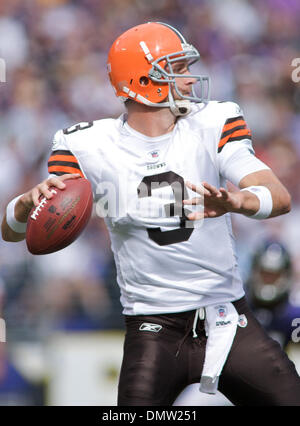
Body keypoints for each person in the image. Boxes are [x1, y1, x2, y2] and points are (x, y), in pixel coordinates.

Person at [2, 22, 300, 406]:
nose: (190, 80)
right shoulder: (89, 144)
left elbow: (278, 195)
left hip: (226, 317)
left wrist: (238, 201)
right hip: (153, 327)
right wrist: (25, 206)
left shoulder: (212, 121)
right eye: (175, 69)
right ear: (143, 80)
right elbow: (11, 231)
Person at [246, 239, 300, 349]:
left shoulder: (293, 317)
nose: (268, 280)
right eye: (265, 274)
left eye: (274, 275)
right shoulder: (239, 308)